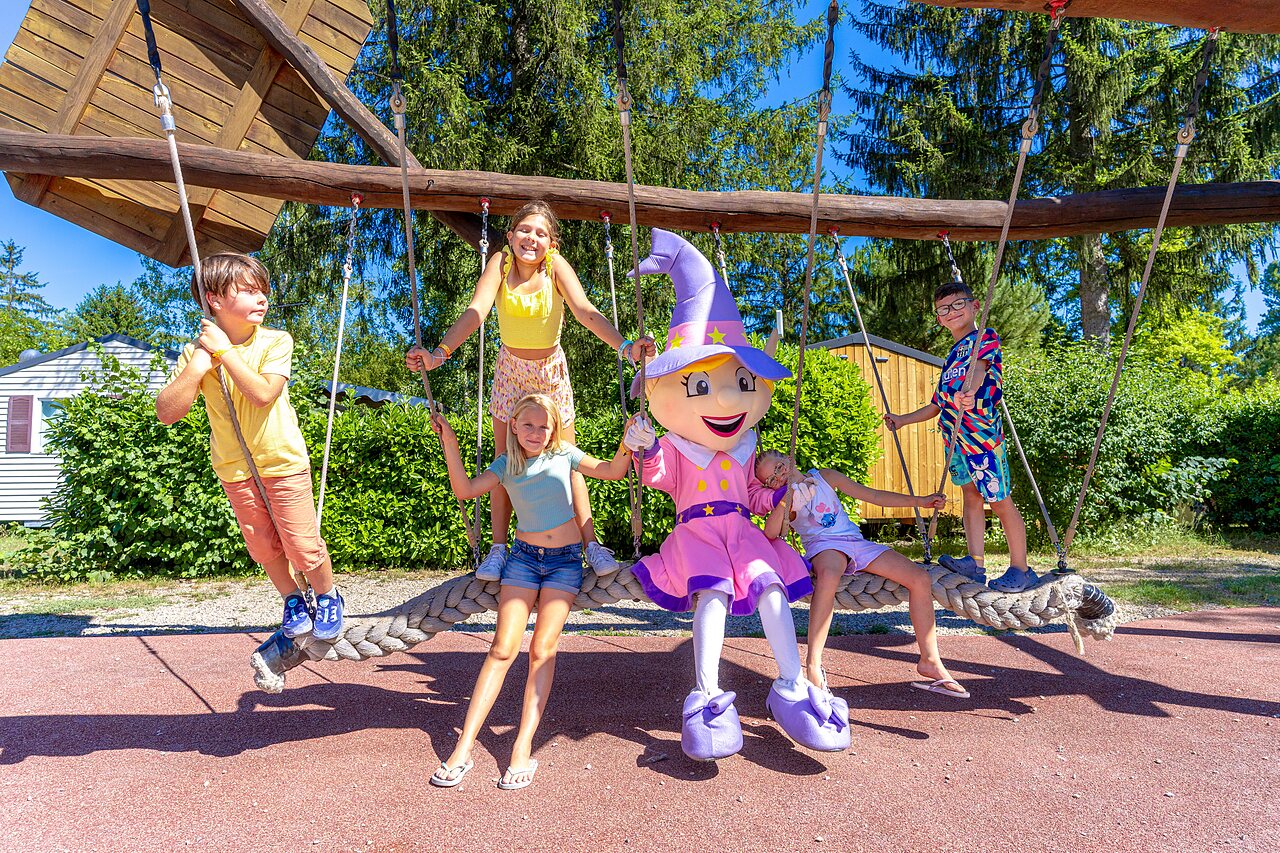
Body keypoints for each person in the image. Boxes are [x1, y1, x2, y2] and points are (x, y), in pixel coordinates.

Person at [621, 229, 849, 762]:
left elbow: (753, 494)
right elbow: (657, 474)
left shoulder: (747, 447)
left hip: (742, 532)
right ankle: (705, 694)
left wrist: (777, 501)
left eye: (741, 383)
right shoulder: (678, 447)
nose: (725, 399)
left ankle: (791, 687)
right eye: (700, 386)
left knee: (770, 590)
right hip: (697, 532)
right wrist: (644, 447)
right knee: (713, 595)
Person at [407, 200, 654, 582]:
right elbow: (477, 311)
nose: (531, 238)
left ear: (551, 244)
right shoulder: (500, 264)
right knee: (504, 461)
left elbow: (584, 310)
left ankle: (590, 543)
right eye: (524, 230)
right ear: (510, 236)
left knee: (567, 459)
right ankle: (498, 548)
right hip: (511, 372)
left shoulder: (556, 267)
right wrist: (440, 353)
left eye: (541, 233)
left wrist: (625, 347)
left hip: (551, 371)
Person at [427, 394, 638, 790]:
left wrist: (627, 441)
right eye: (528, 425)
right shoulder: (507, 465)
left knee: (542, 649)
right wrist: (450, 442)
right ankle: (464, 747)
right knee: (502, 648)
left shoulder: (566, 455)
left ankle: (522, 746)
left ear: (554, 428)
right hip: (522, 559)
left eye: (544, 426)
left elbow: (612, 471)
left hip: (564, 562)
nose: (536, 433)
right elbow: (464, 489)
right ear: (514, 427)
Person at [155, 253, 343, 640]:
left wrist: (225, 352)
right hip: (234, 466)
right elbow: (167, 412)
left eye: (264, 292)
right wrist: (197, 367)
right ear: (215, 300)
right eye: (249, 291)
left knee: (302, 544)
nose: (263, 299)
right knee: (263, 546)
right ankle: (292, 598)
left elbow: (261, 394)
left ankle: (327, 595)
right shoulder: (195, 353)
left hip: (282, 460)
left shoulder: (276, 341)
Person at [755, 450, 969, 699]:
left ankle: (930, 660)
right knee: (829, 575)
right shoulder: (786, 501)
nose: (779, 477)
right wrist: (786, 500)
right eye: (771, 479)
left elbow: (873, 495)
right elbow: (771, 532)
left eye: (780, 467)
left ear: (789, 459)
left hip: (855, 542)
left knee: (920, 578)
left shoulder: (824, 476)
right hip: (825, 546)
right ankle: (813, 664)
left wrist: (920, 501)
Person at [883, 280, 1039, 593]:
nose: (952, 312)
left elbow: (980, 369)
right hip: (955, 441)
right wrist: (902, 420)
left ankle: (1021, 567)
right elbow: (936, 405)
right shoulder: (951, 357)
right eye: (944, 309)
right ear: (939, 318)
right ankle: (976, 563)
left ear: (974, 305)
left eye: (958, 304)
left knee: (999, 500)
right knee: (970, 496)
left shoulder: (985, 336)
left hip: (982, 439)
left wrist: (972, 390)